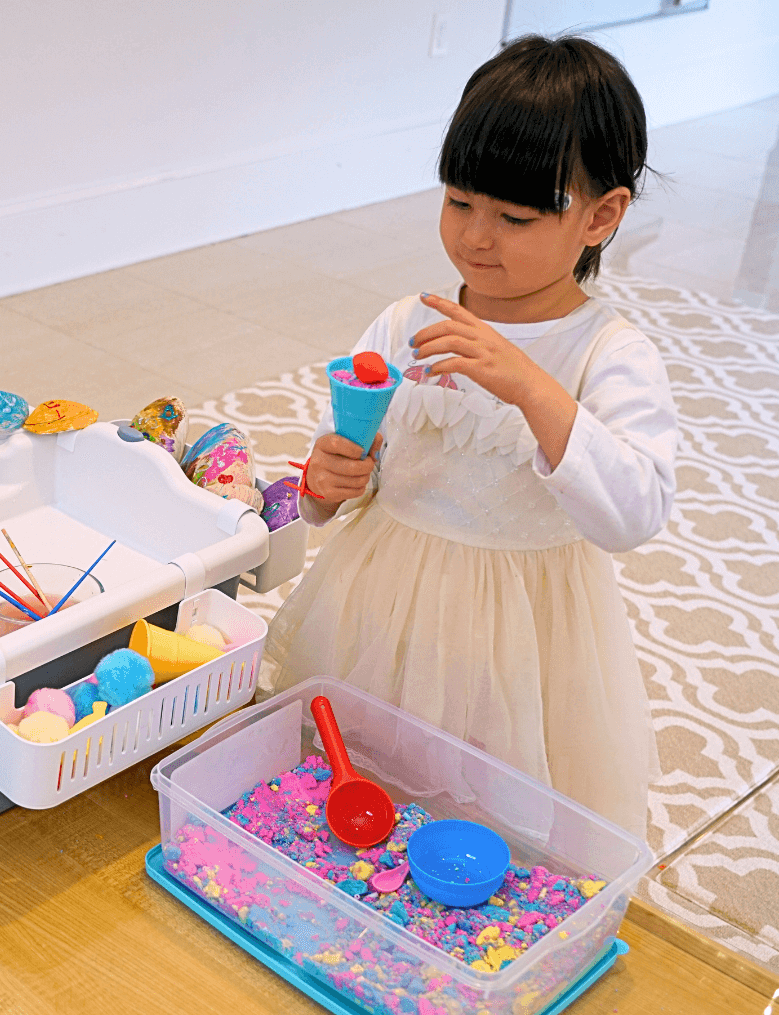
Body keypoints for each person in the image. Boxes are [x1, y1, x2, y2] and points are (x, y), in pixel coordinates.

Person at [265, 35, 676, 841]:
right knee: (364, 772)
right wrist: (327, 479)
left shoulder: (610, 354)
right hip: (383, 603)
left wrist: (529, 385)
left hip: (521, 637)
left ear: (602, 215)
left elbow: (634, 512)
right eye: (459, 201)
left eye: (515, 217)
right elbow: (334, 476)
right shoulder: (404, 323)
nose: (476, 237)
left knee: (491, 806)